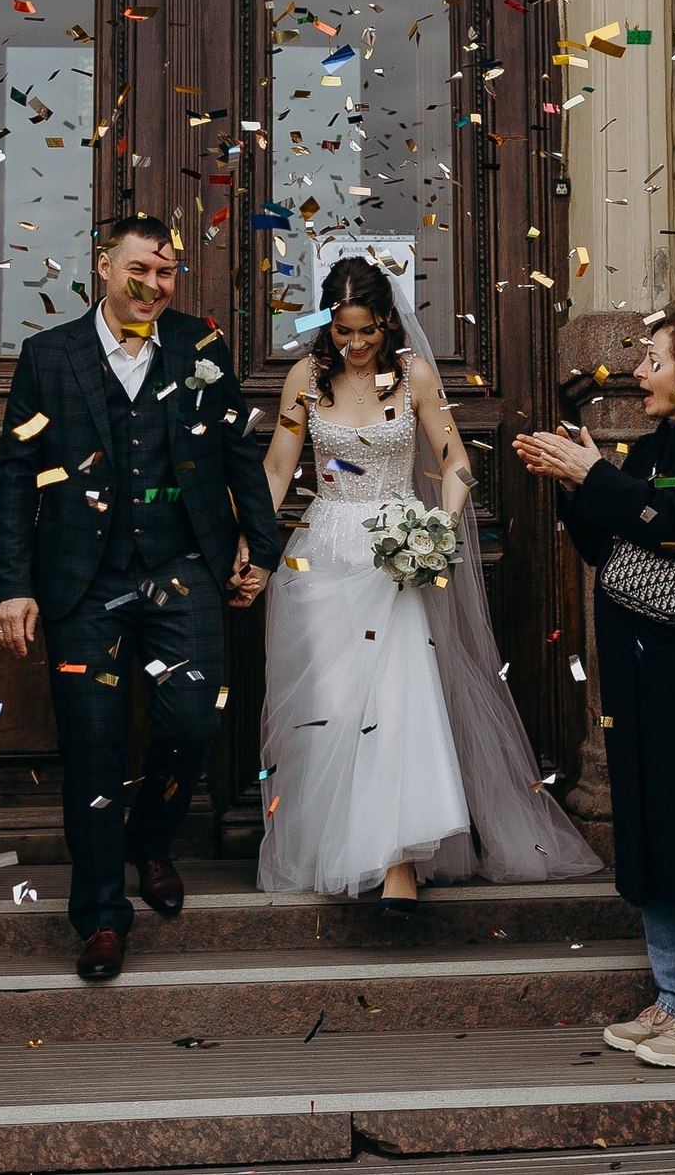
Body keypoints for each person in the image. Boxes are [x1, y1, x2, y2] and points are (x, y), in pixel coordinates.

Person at [0, 215, 285, 981]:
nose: (154, 287)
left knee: (192, 721)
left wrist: (264, 545)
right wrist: (12, 586)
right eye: (139, 271)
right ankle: (100, 916)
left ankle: (149, 838)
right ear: (102, 265)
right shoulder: (47, 356)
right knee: (92, 744)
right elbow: (16, 476)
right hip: (80, 583)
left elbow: (239, 447)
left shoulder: (201, 345)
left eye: (166, 273)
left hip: (184, 566)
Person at [259, 255, 599, 909]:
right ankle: (339, 849)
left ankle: (397, 863)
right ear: (327, 327)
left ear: (387, 320)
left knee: (397, 704)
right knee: (331, 711)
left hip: (395, 559)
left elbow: (458, 465)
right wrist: (247, 537)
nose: (356, 346)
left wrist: (439, 532)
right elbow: (278, 467)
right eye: (343, 332)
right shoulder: (304, 378)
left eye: (367, 330)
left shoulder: (412, 375)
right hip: (325, 556)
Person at [516, 316, 675, 1072]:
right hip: (642, 659)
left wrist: (600, 481)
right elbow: (612, 541)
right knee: (651, 815)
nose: (638, 372)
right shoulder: (655, 443)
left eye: (653, 360)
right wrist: (577, 483)